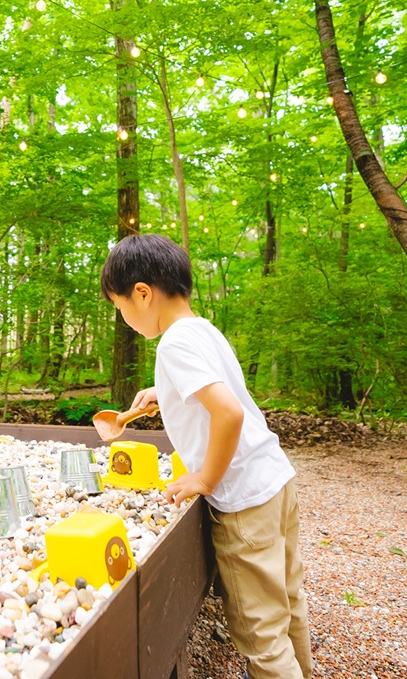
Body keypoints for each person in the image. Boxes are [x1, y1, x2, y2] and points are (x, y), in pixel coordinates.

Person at [101, 234, 310, 679]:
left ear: (142, 293)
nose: (124, 319)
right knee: (288, 602)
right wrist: (167, 392)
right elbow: (220, 391)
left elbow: (228, 412)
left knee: (261, 633)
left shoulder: (174, 344)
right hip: (274, 479)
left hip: (243, 501)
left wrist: (205, 479)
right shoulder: (202, 329)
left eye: (120, 307)